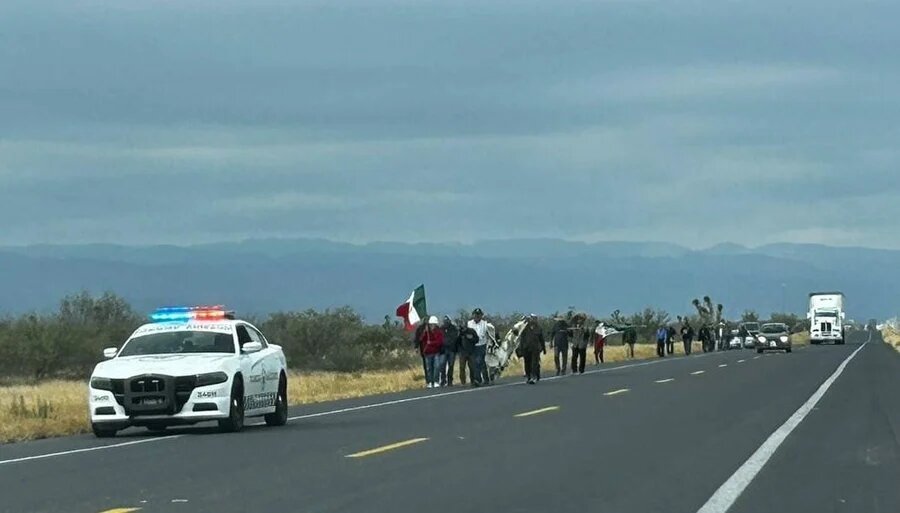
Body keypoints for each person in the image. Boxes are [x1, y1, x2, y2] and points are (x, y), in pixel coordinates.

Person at [519, 314, 546, 384]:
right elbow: (522, 339)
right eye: (531, 319)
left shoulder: (539, 328)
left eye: (534, 318)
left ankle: (534, 377)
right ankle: (528, 376)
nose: (532, 320)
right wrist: (521, 349)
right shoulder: (524, 328)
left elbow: (541, 339)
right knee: (527, 363)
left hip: (535, 348)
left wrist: (544, 349)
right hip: (526, 348)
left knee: (534, 363)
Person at [467, 308, 491, 387]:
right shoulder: (469, 324)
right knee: (478, 363)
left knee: (478, 361)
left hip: (482, 345)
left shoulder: (485, 324)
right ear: (473, 315)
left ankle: (478, 380)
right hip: (473, 346)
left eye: (478, 315)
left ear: (481, 316)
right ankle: (485, 378)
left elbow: (490, 334)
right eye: (475, 314)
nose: (477, 316)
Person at [420, 316, 444, 388]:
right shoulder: (427, 333)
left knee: (436, 367)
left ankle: (436, 381)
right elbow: (421, 339)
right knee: (429, 368)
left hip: (436, 352)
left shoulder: (439, 332)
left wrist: (431, 343)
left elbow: (440, 342)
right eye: (430, 324)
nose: (431, 326)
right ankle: (430, 382)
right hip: (428, 353)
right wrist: (425, 332)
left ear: (436, 325)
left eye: (433, 324)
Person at [440, 316, 460, 387]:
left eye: (447, 321)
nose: (446, 322)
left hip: (452, 349)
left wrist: (448, 343)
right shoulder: (441, 328)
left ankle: (450, 380)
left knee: (451, 365)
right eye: (445, 321)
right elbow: (440, 338)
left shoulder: (453, 328)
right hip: (443, 350)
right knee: (442, 365)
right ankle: (443, 380)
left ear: (449, 321)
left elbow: (454, 338)